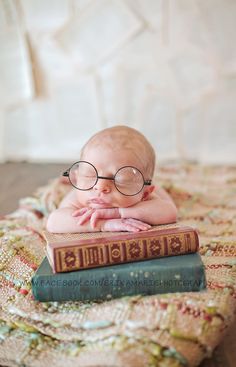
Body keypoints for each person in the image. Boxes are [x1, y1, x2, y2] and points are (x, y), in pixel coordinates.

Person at [47, 125, 177, 233]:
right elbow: (54, 222)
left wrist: (118, 212)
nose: (100, 186)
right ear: (76, 179)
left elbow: (170, 212)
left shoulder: (144, 196)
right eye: (89, 175)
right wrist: (104, 224)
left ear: (145, 193)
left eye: (121, 179)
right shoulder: (79, 197)